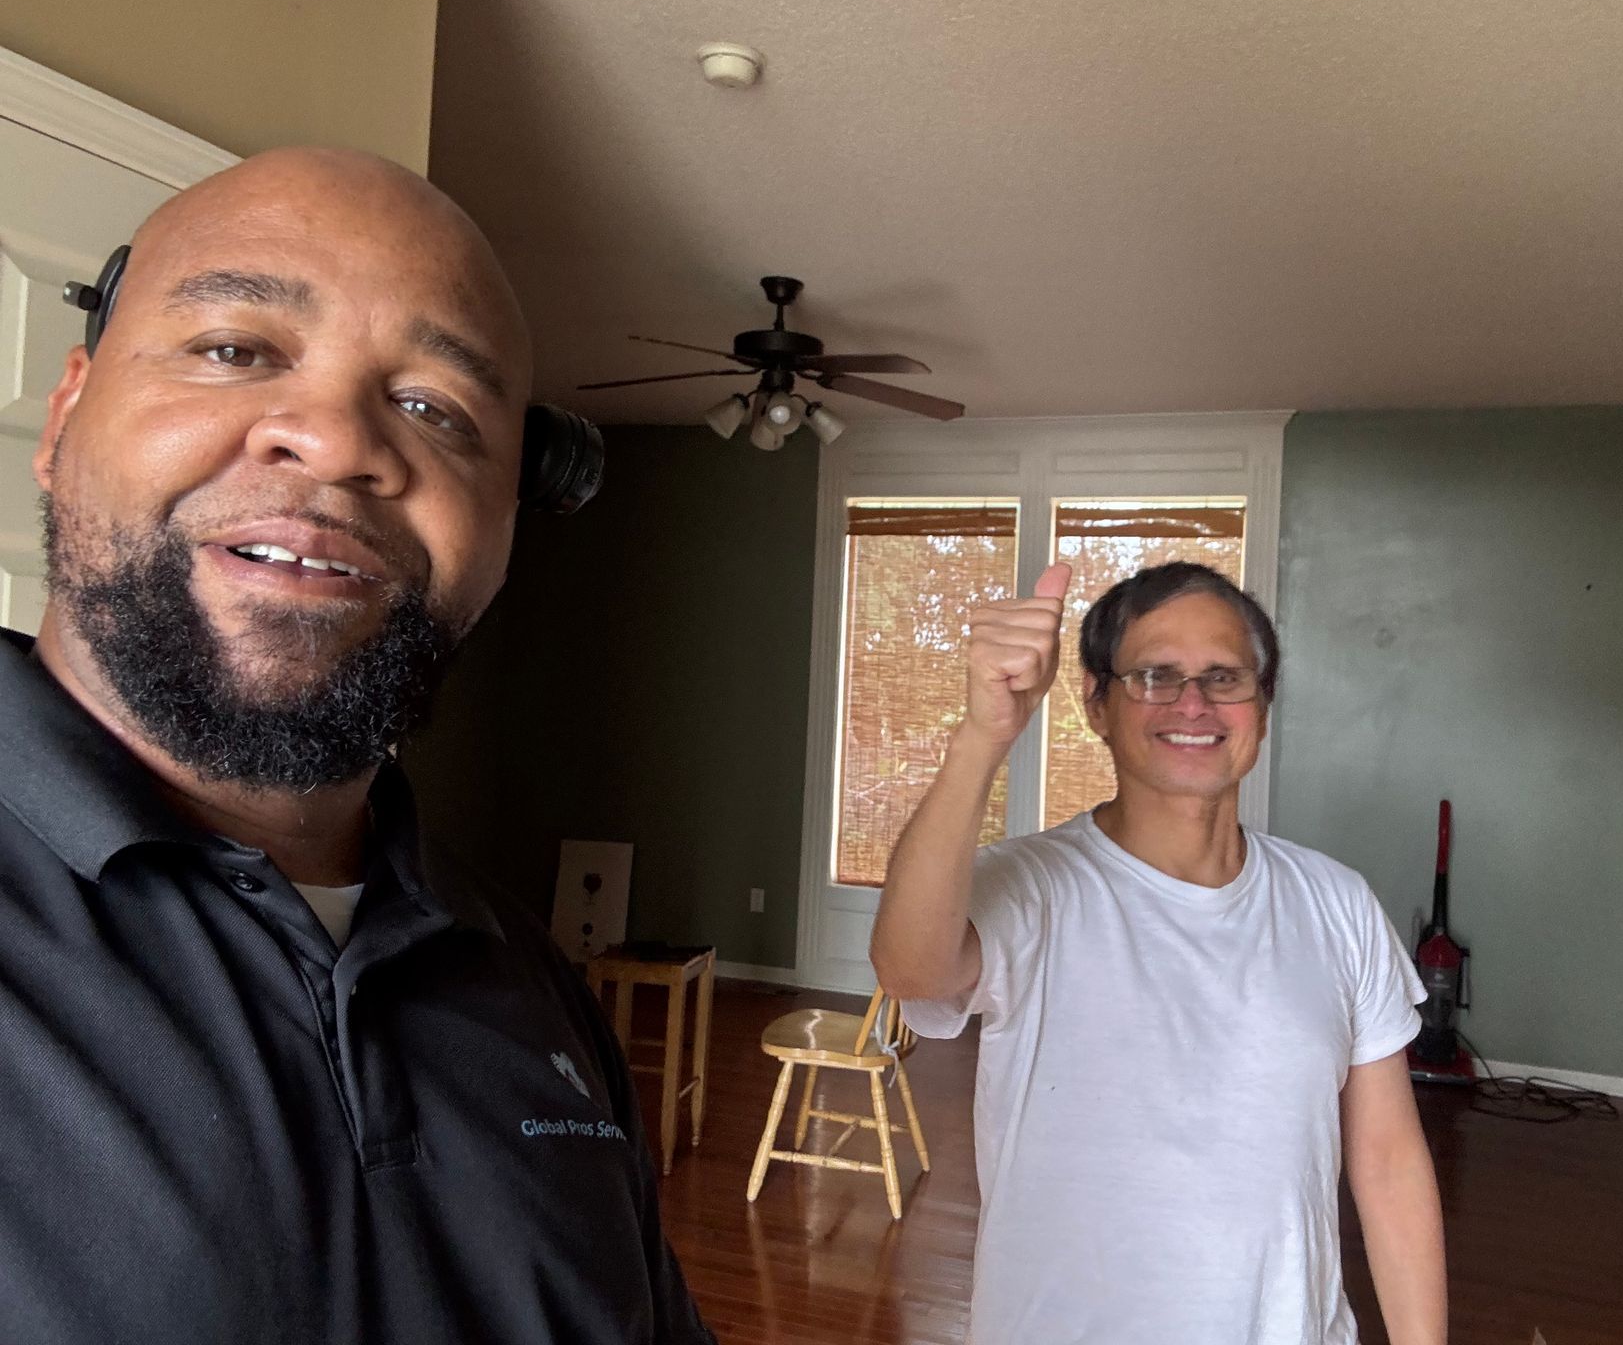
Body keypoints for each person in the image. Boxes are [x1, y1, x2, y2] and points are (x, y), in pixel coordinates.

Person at [0, 148, 713, 1343]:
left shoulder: (533, 991)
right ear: (66, 414)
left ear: (500, 531)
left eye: (436, 408)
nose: (335, 443)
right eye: (236, 349)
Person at [871, 560, 1447, 1344]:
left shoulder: (1336, 902)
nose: (1194, 704)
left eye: (1225, 677)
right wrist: (984, 737)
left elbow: (1387, 1159)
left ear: (1263, 708)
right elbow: (909, 967)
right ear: (1096, 705)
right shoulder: (1031, 889)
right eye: (1154, 676)